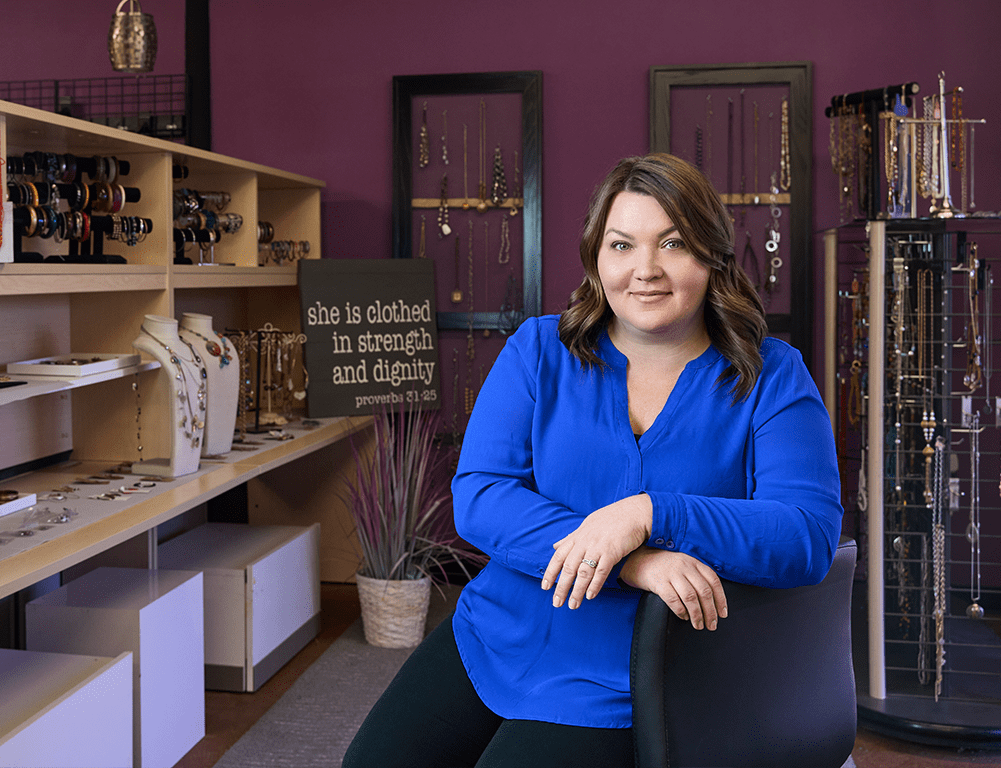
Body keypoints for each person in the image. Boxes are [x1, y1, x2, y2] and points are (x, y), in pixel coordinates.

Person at [342, 153, 842, 768]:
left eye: (673, 243)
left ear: (712, 255)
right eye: (622, 244)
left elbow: (807, 535)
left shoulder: (772, 376)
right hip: (499, 630)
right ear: (596, 257)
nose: (645, 270)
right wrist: (631, 560)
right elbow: (479, 495)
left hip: (636, 667)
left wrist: (652, 513)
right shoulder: (537, 350)